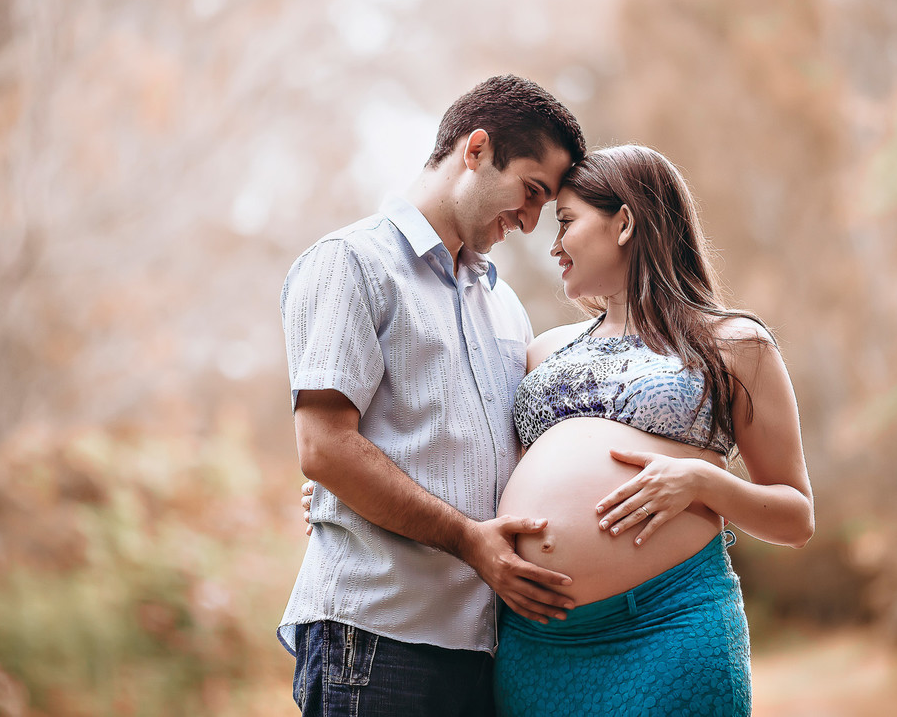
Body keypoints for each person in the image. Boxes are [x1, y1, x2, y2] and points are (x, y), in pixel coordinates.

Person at [280, 74, 586, 717]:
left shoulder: (504, 306)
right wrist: (469, 538)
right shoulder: (352, 263)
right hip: (376, 641)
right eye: (531, 191)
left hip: (481, 648)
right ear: (476, 150)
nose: (532, 222)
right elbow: (325, 448)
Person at [490, 144, 815, 715]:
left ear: (625, 223)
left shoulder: (734, 344)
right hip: (539, 643)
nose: (554, 244)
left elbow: (796, 516)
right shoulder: (543, 352)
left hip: (669, 627)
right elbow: (485, 470)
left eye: (566, 222)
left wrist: (701, 483)